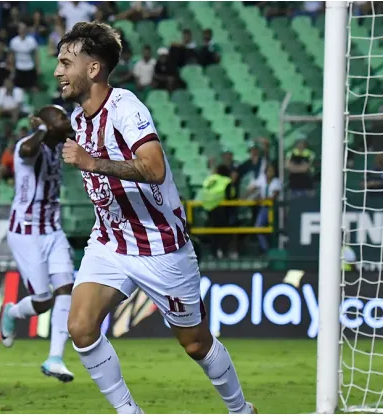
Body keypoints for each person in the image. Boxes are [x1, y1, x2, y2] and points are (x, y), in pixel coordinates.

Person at [55, 22, 256, 414]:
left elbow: (154, 167)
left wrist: (91, 162)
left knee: (195, 343)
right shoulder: (78, 119)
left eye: (66, 62)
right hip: (110, 240)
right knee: (80, 327)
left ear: (93, 69)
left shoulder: (126, 107)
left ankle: (240, 409)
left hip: (159, 245)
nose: (58, 71)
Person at [0, 105, 75, 382]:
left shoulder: (58, 145)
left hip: (53, 229)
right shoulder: (29, 145)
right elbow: (27, 152)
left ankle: (55, 358)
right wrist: (41, 128)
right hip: (26, 231)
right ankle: (12, 312)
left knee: (66, 288)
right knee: (43, 301)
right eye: (60, 117)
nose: (66, 120)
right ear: (44, 124)